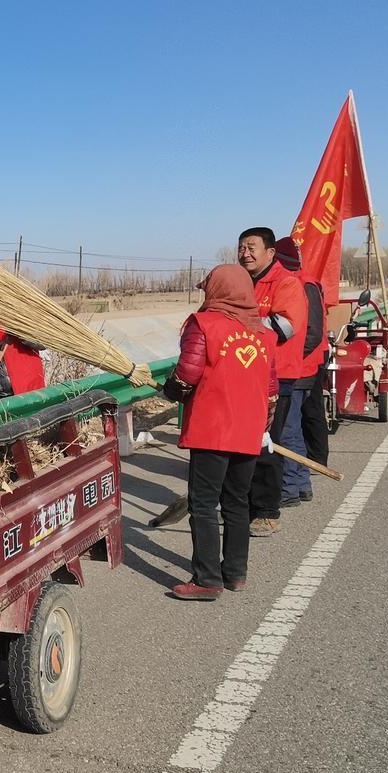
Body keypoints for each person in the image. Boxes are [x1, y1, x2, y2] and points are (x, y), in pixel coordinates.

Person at [162, 265, 277, 601]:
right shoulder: (263, 333)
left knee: (203, 502)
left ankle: (207, 578)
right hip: (249, 430)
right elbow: (272, 388)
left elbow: (187, 374)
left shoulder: (204, 325)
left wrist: (170, 391)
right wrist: (264, 426)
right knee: (237, 502)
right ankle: (235, 573)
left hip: (212, 430)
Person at [237, 227, 307, 536]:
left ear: (270, 252)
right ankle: (244, 504)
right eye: (241, 247)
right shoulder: (239, 284)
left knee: (267, 443)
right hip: (243, 374)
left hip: (276, 377)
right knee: (241, 443)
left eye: (252, 247)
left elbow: (286, 326)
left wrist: (236, 326)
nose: (245, 253)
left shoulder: (286, 283)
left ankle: (267, 510)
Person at [274, 237, 329, 490]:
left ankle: (292, 484)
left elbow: (312, 332)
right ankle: (300, 481)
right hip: (302, 365)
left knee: (289, 428)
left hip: (300, 368)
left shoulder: (301, 284)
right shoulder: (299, 282)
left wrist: (292, 358)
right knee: (294, 425)